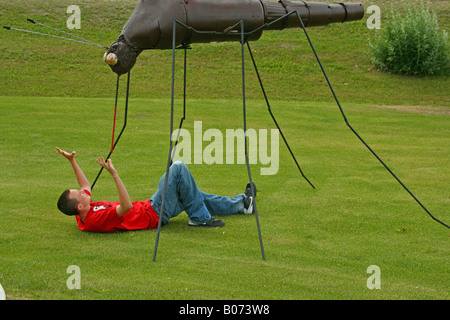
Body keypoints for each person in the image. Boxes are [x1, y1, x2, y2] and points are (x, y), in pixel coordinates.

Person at [56, 147, 257, 232]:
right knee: (177, 168)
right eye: (80, 194)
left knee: (194, 195)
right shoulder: (94, 219)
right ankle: (200, 218)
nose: (84, 191)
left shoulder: (82, 211)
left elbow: (85, 186)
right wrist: (115, 175)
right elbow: (125, 207)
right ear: (80, 205)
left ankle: (242, 205)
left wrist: (72, 161)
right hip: (154, 213)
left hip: (151, 206)